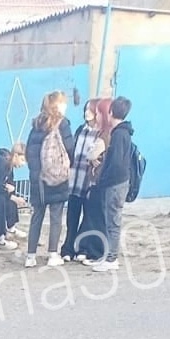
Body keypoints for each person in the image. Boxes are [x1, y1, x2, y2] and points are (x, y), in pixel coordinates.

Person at [24, 90, 75, 268]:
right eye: (63, 102)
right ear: (57, 105)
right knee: (55, 217)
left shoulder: (36, 124)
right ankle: (53, 254)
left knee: (36, 216)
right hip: (57, 178)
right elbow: (70, 148)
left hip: (38, 179)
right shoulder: (63, 124)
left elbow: (29, 151)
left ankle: (30, 256)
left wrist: (35, 171)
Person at [89, 96, 134, 273]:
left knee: (113, 222)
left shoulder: (119, 134)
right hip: (118, 183)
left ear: (110, 112)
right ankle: (109, 256)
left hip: (115, 184)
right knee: (110, 221)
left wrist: (104, 179)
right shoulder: (123, 133)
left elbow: (115, 163)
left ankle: (111, 258)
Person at [63, 98, 111, 262]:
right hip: (75, 179)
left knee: (89, 218)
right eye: (85, 110)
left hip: (90, 181)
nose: (86, 113)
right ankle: (67, 248)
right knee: (72, 216)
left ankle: (83, 248)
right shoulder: (80, 130)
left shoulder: (102, 133)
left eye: (91, 110)